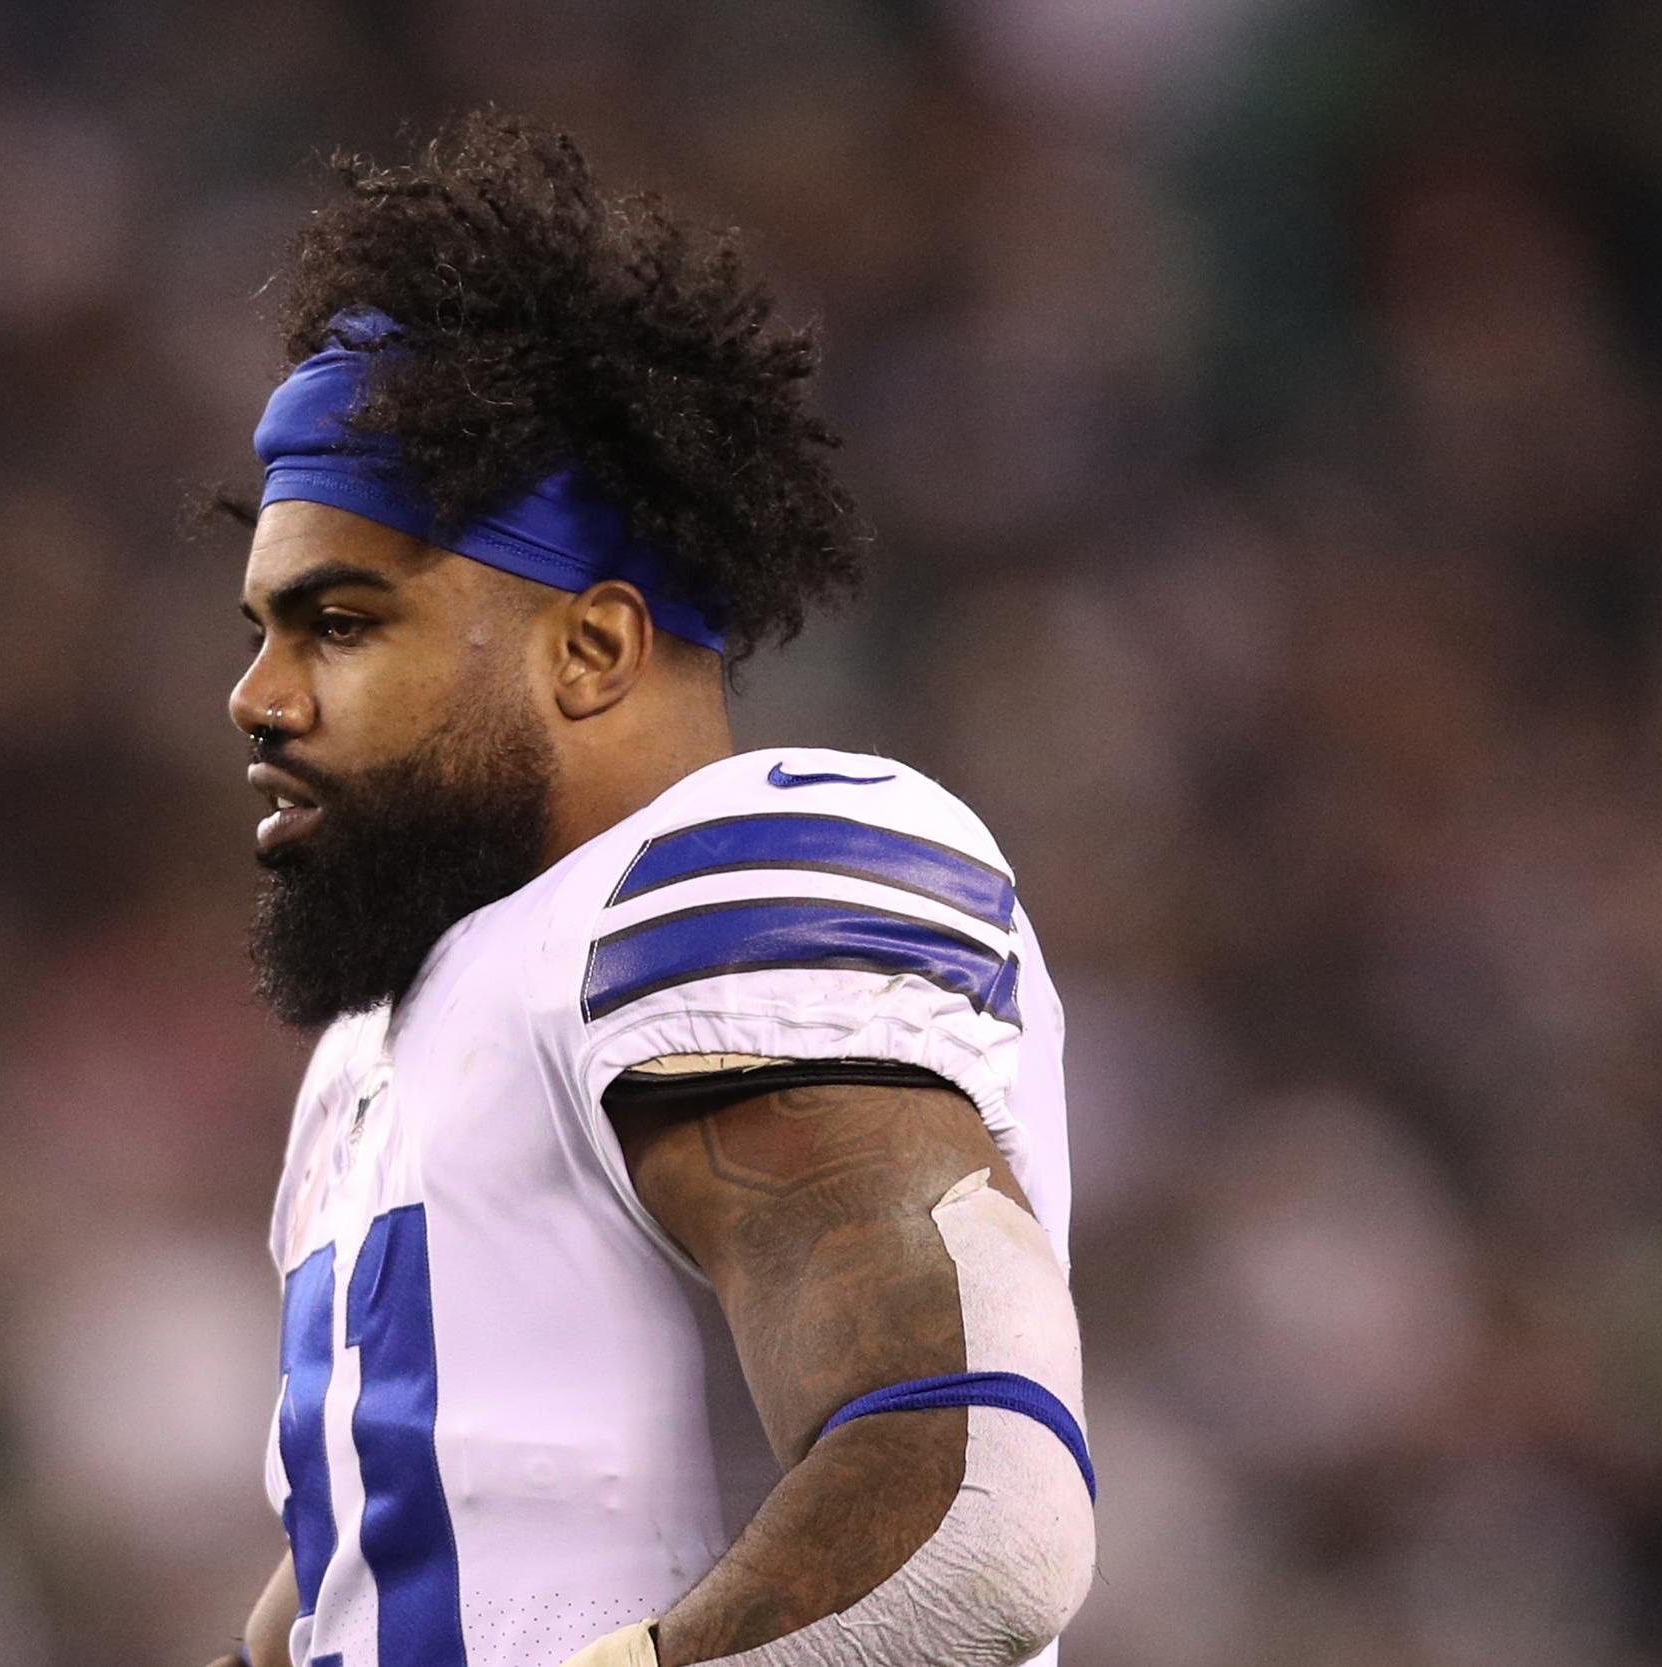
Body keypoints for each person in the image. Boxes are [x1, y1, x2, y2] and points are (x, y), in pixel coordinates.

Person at [202, 112, 1095, 1667]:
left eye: (339, 623)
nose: (255, 695)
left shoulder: (728, 879)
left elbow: (969, 1514)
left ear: (594, 647)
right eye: (264, 631)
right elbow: (399, 1552)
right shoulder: (385, 1044)